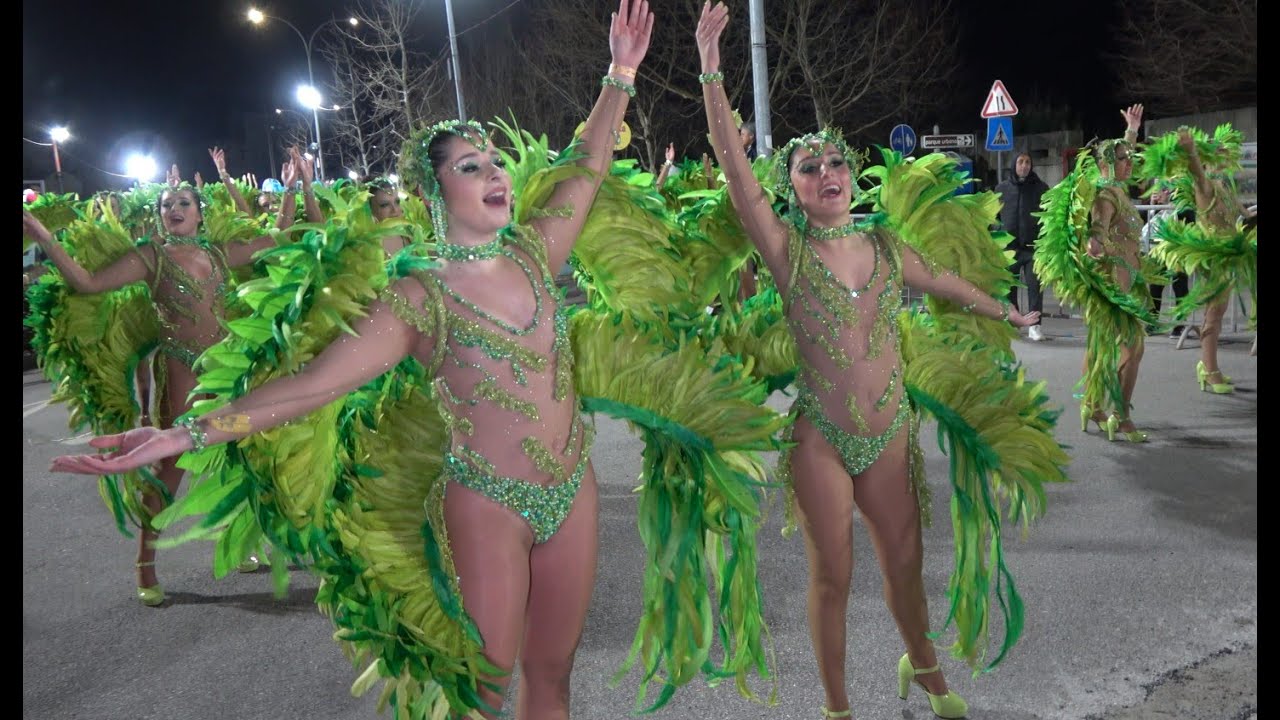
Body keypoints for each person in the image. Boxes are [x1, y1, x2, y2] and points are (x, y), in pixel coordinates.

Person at [50, 2, 654, 717]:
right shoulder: (417, 297)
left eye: (496, 161)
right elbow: (310, 386)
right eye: (471, 166)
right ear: (432, 189)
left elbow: (588, 163)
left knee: (553, 675)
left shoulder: (536, 252)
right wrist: (184, 433)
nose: (496, 173)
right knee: (485, 690)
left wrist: (620, 72)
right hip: (489, 503)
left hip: (574, 487)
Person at [695, 4, 1041, 718]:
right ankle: (837, 707)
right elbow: (733, 167)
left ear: (851, 174)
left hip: (889, 432)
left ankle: (925, 670)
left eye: (835, 162)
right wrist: (710, 71)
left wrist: (1005, 311)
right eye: (808, 167)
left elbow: (945, 282)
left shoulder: (885, 246)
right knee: (834, 577)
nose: (827, 172)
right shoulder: (786, 252)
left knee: (905, 566)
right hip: (822, 436)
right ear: (791, 188)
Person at [23, 157, 306, 606]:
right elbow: (89, 283)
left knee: (237, 455)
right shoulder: (150, 256)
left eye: (183, 203)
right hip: (182, 371)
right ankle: (146, 563)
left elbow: (277, 237)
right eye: (166, 204)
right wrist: (45, 238)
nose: (173, 209)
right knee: (171, 467)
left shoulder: (219, 253)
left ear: (200, 213)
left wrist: (292, 186)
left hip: (225, 373)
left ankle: (240, 543)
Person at [1147, 127, 1257, 393]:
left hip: (1229, 257)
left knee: (1217, 312)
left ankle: (1208, 366)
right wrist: (1191, 152)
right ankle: (1209, 370)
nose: (1226, 157)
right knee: (1213, 313)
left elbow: (1245, 216)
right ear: (1210, 158)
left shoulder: (1224, 188)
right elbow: (1196, 171)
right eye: (1221, 153)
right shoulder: (1204, 185)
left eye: (1227, 153)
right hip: (1214, 259)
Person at [1079, 104, 1151, 441]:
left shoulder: (1118, 188)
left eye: (1130, 158)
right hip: (1115, 286)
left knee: (1101, 345)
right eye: (1123, 159)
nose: (1129, 163)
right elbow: (1097, 236)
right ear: (1106, 164)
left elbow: (1122, 155)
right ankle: (1121, 418)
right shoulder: (1106, 196)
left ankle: (1091, 406)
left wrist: (1132, 131)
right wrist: (1099, 245)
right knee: (1133, 347)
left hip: (1128, 283)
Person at [995, 152, 1049, 341]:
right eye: (1020, 162)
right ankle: (1014, 323)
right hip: (1009, 249)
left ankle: (1035, 326)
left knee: (1035, 288)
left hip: (1033, 248)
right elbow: (994, 218)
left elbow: (1048, 216)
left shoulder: (1041, 188)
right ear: (1014, 164)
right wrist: (997, 238)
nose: (1024, 166)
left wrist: (1044, 241)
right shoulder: (1001, 189)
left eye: (1027, 162)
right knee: (1010, 288)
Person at [1140, 181, 1191, 337]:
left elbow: (1189, 222)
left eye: (1161, 190)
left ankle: (1180, 324)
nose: (1157, 194)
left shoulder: (1183, 207)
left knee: (1179, 286)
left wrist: (1171, 205)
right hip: (1158, 250)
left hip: (1177, 251)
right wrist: (1153, 205)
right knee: (1155, 286)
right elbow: (1146, 222)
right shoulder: (1157, 208)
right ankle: (1153, 322)